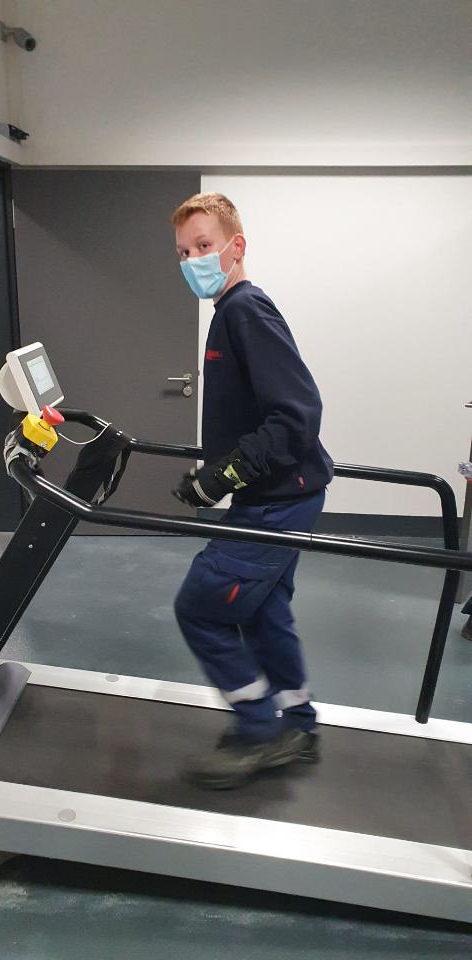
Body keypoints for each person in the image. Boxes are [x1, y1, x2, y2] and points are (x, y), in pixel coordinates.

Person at [171, 192, 333, 788]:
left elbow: (297, 414)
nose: (193, 260)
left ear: (235, 246)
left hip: (277, 500)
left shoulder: (245, 310)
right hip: (279, 493)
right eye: (183, 252)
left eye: (204, 246)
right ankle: (297, 723)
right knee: (263, 612)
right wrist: (217, 472)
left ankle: (259, 731)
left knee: (200, 608)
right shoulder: (229, 312)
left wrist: (224, 474)